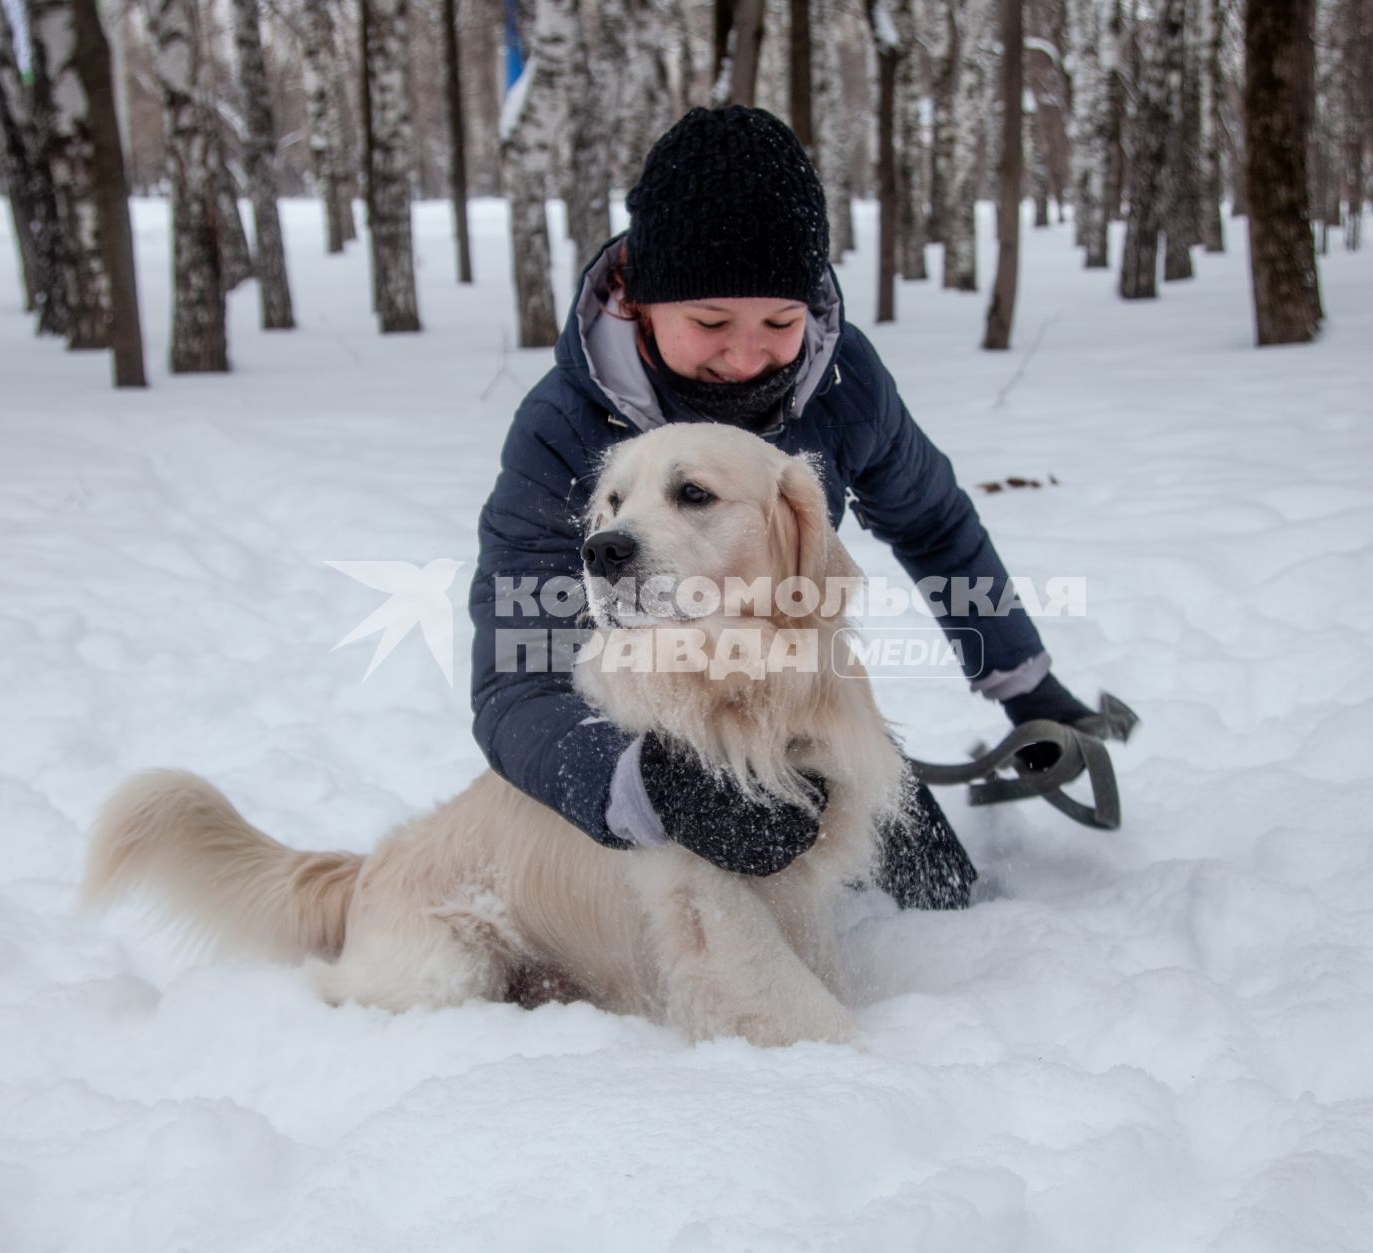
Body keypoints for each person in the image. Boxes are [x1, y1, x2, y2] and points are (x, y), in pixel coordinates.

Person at [469, 105, 1125, 909]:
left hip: (804, 707)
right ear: (641, 300)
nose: (748, 358)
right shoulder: (564, 427)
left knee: (944, 904)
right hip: (647, 730)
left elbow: (933, 522)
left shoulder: (840, 381)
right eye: (711, 321)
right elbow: (518, 675)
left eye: (779, 321)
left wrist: (1025, 685)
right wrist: (647, 788)